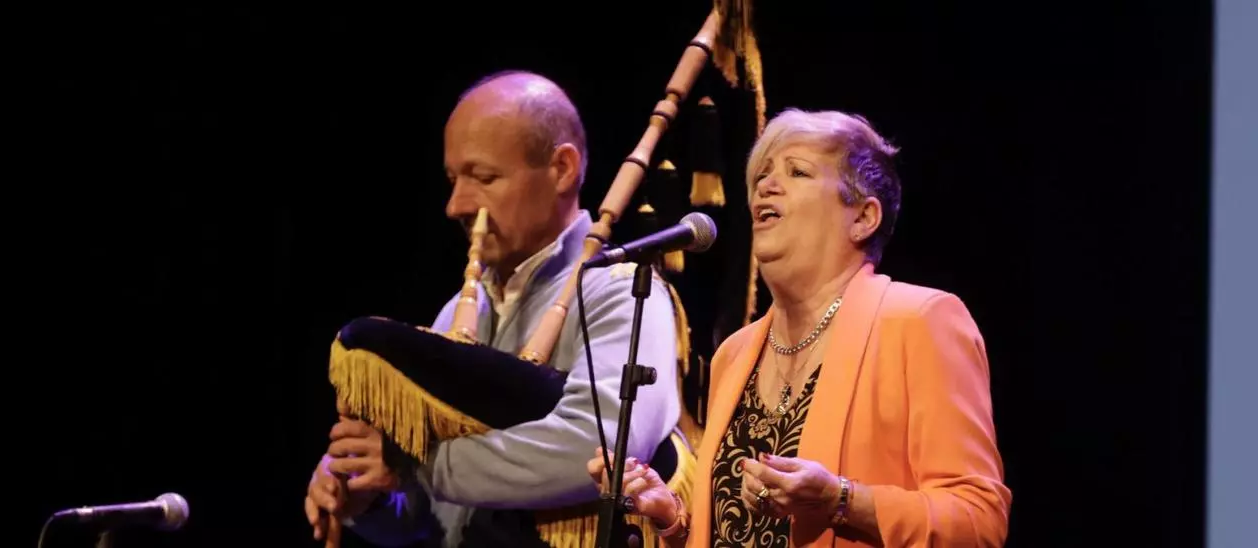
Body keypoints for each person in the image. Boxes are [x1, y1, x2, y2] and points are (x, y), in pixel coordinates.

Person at [587, 108, 1012, 547]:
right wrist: (674, 520)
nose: (766, 186)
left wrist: (841, 501)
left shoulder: (920, 321)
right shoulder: (735, 353)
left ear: (863, 218)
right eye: (762, 175)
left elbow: (979, 520)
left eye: (797, 172)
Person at [304, 70, 684, 546]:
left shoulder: (622, 294)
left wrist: (418, 465)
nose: (456, 205)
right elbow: (434, 519)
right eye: (452, 179)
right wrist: (371, 495)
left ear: (562, 169)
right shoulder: (458, 312)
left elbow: (604, 446)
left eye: (483, 177)